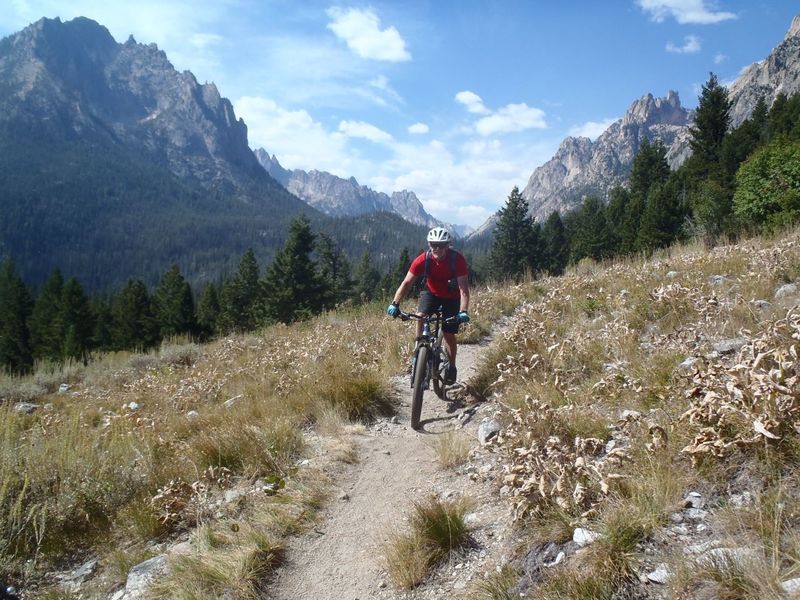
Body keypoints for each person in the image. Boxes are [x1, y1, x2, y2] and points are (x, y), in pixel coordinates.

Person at [387, 227, 470, 384]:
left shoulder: (457, 260)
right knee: (420, 316)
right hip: (431, 293)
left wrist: (463, 311)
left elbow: (463, 289)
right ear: (429, 244)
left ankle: (451, 367)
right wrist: (395, 303)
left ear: (447, 245)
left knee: (448, 333)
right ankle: (419, 349)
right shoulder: (423, 260)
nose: (436, 248)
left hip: (452, 297)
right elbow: (406, 283)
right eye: (433, 244)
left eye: (441, 245)